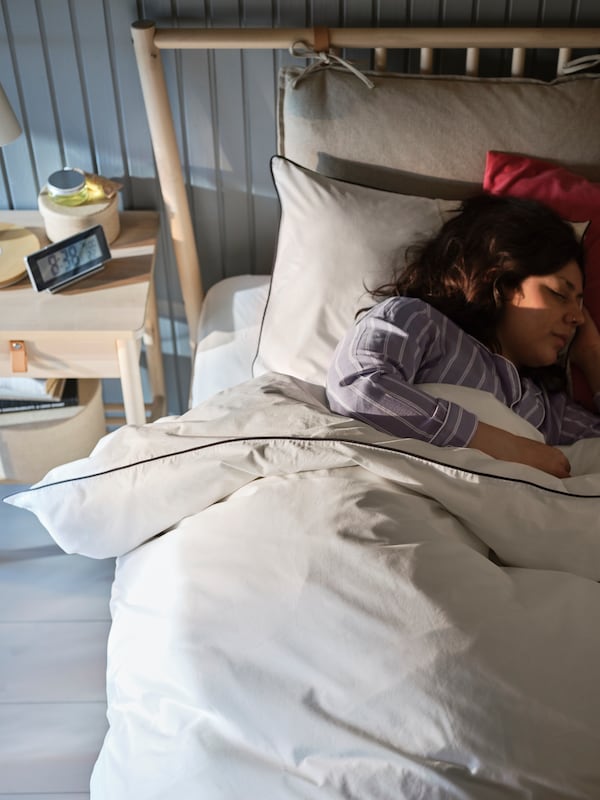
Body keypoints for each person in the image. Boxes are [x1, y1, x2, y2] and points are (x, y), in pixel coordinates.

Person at [326, 193, 600, 479]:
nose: (578, 317)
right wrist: (506, 447)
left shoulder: (545, 407)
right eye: (559, 294)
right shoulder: (419, 320)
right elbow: (357, 387)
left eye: (580, 304)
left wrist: (593, 355)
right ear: (503, 281)